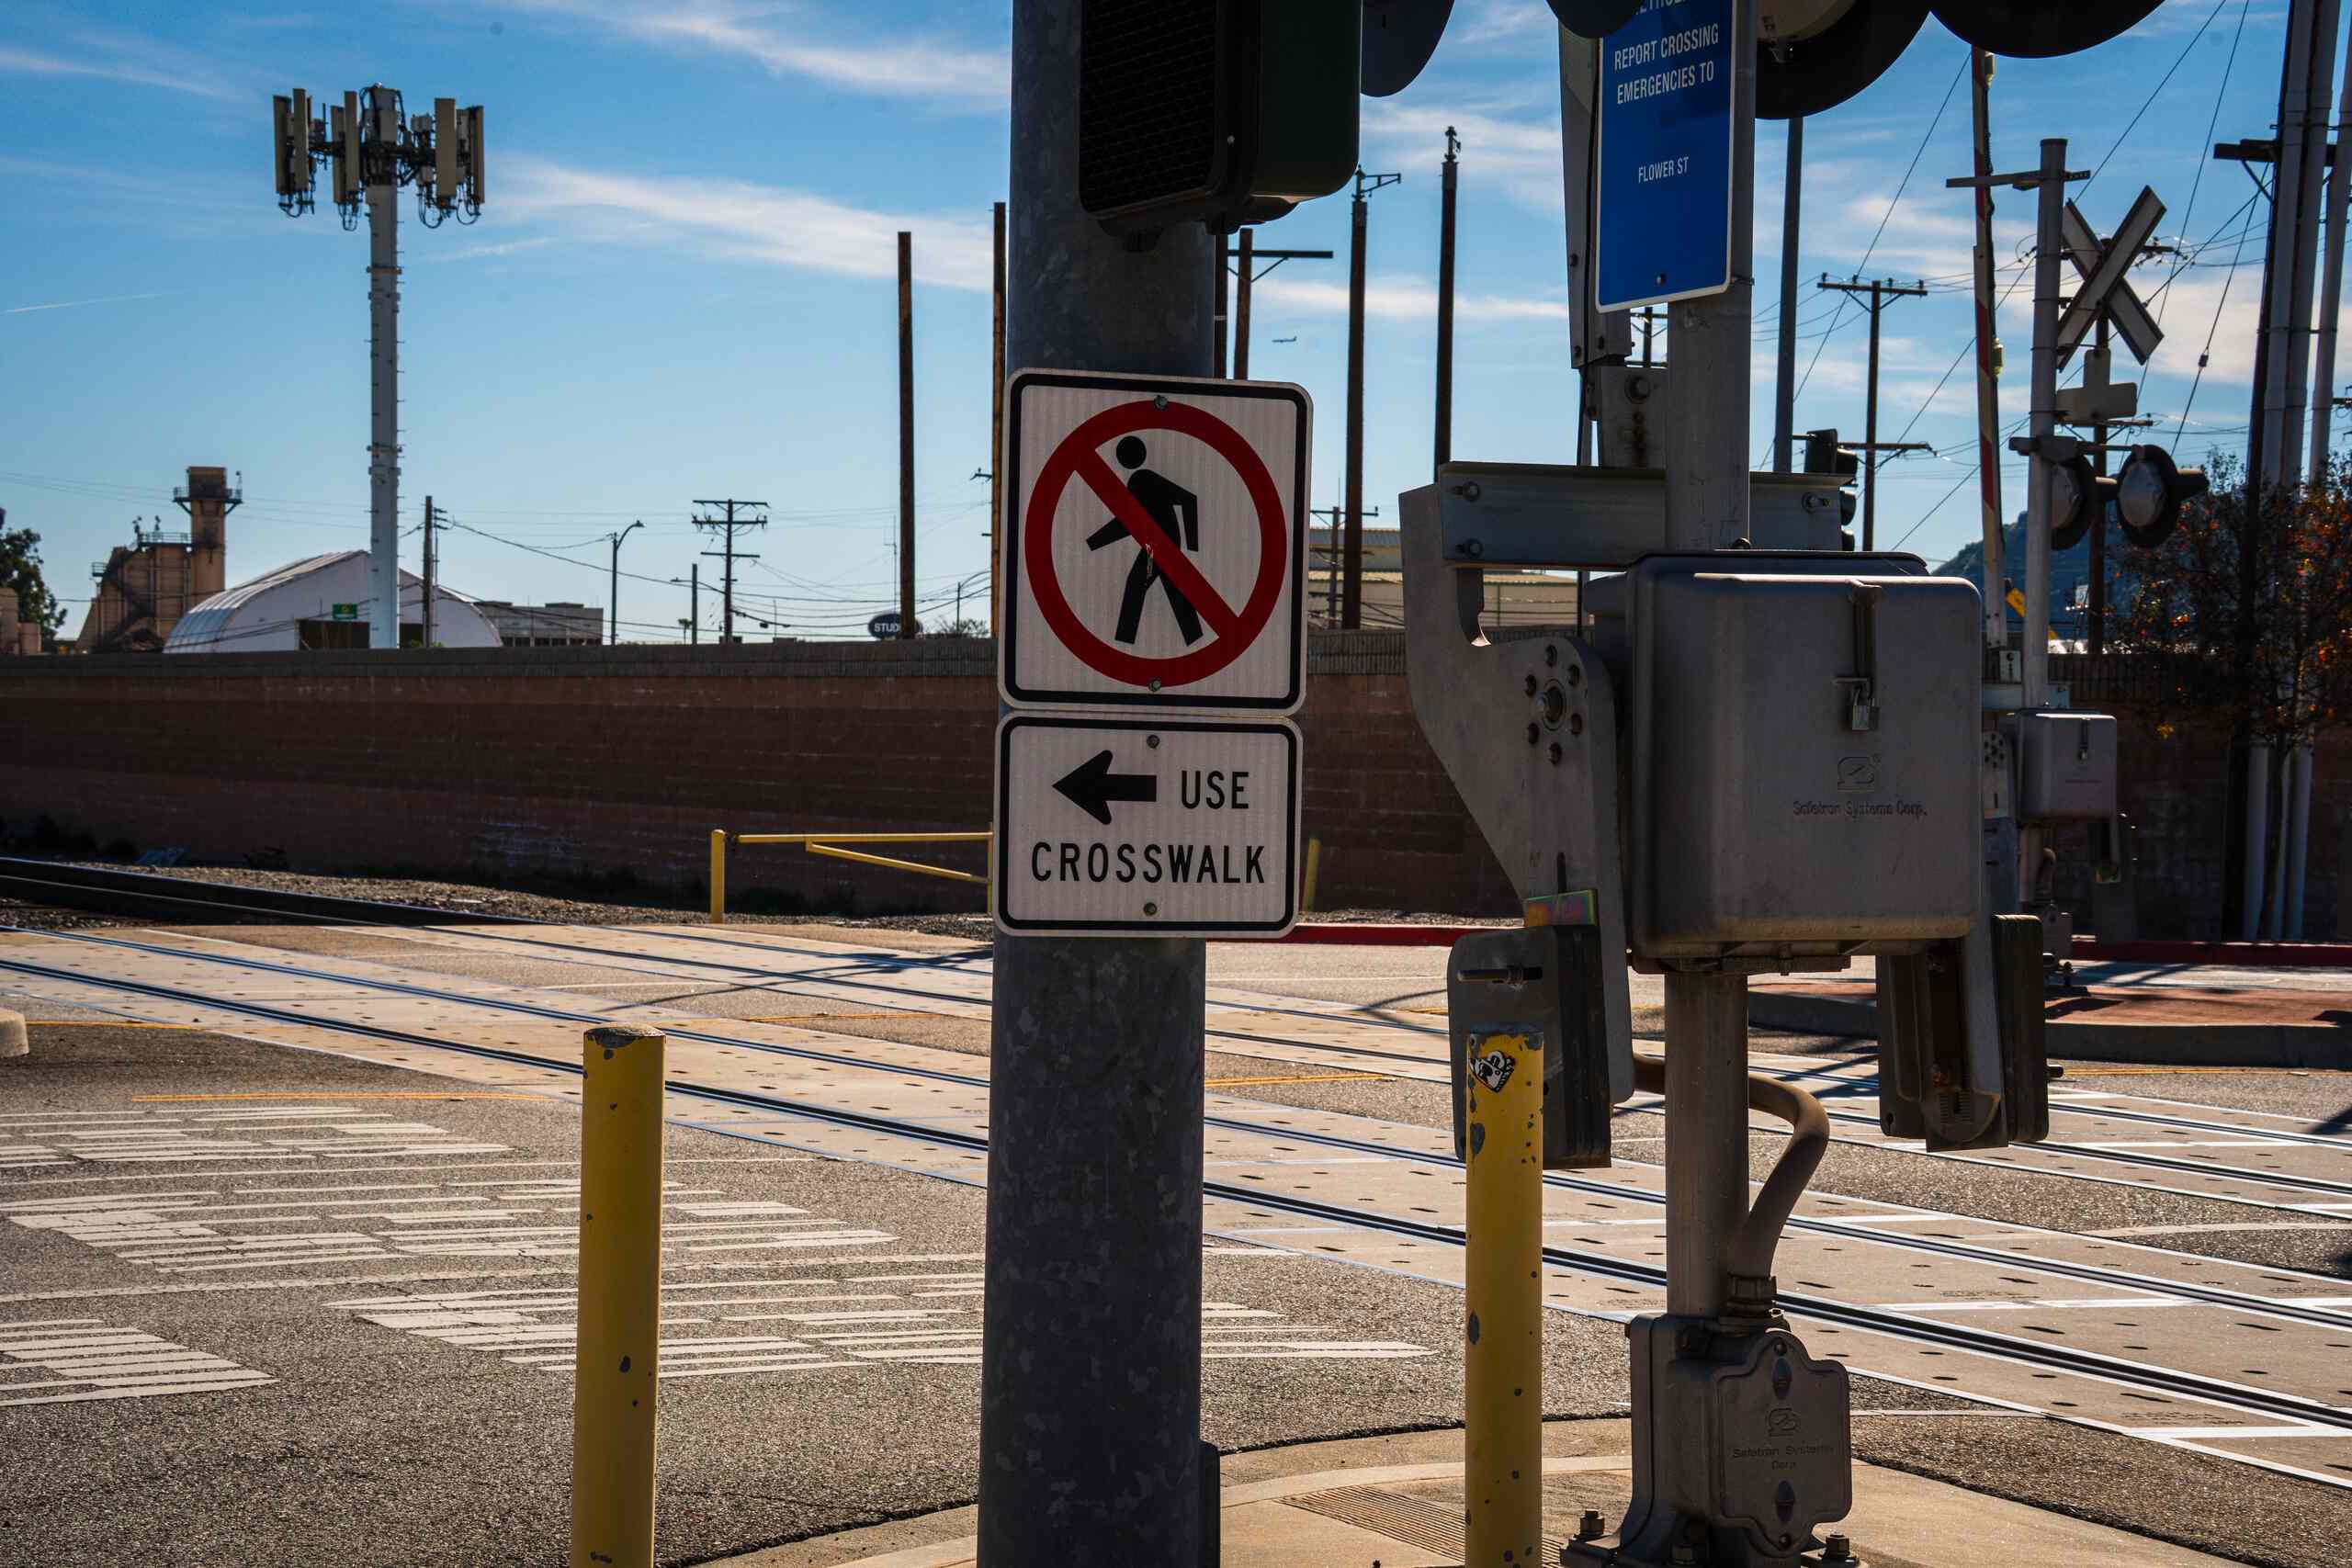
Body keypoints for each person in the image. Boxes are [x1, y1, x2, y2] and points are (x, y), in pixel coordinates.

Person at [1087, 435, 1204, 646]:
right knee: (1173, 591)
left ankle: (1123, 642)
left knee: (1136, 584)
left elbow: (1188, 499)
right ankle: (1195, 638)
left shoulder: (1142, 480)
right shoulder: (1139, 481)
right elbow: (1129, 522)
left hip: (1157, 548)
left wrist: (1192, 544)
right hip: (1158, 547)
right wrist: (1093, 542)